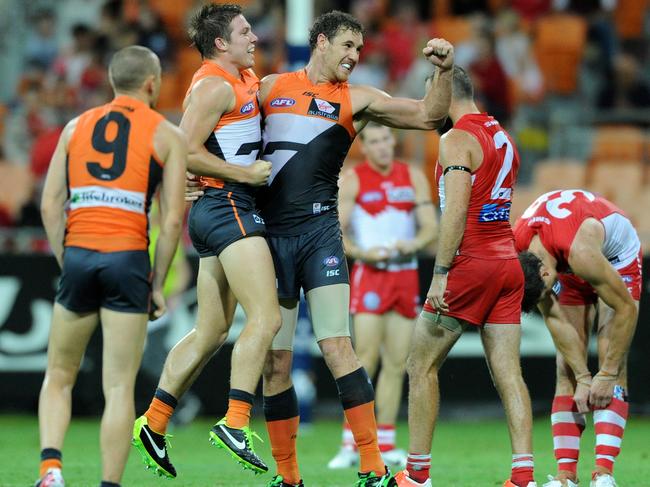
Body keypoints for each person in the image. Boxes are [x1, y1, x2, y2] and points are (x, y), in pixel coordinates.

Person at [256, 11, 453, 487]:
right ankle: (289, 477)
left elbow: (429, 116)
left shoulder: (358, 100)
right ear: (320, 42)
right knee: (274, 362)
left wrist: (443, 72)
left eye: (359, 50)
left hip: (321, 234)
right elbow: (225, 134)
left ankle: (372, 466)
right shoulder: (268, 88)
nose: (353, 56)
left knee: (339, 346)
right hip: (270, 237)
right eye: (346, 45)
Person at [131, 3, 282, 479]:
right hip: (229, 206)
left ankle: (153, 424)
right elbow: (183, 148)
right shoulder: (214, 84)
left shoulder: (239, 78)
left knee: (212, 331)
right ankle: (236, 421)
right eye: (244, 32)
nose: (254, 37)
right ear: (221, 43)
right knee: (268, 316)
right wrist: (239, 173)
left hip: (219, 208)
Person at [35, 45, 186, 487]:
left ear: (111, 81)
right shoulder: (165, 133)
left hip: (80, 253)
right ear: (152, 83)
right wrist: (156, 281)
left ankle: (50, 471)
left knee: (59, 374)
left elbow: (50, 204)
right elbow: (173, 218)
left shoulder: (74, 127)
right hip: (128, 260)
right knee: (119, 386)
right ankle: (109, 485)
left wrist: (69, 259)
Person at [395, 66, 537, 487]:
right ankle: (523, 475)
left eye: (429, 96)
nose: (427, 107)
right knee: (509, 373)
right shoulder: (502, 134)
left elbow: (456, 211)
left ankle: (417, 476)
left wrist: (440, 273)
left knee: (420, 364)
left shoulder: (456, 139)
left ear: (443, 91)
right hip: (507, 262)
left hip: (470, 262)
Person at [328, 122, 437, 470]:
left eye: (385, 140)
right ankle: (352, 443)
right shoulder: (355, 179)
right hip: (370, 276)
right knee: (364, 360)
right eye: (373, 142)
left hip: (404, 276)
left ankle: (385, 441)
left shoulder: (413, 176)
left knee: (396, 363)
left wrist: (415, 245)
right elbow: (337, 231)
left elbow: (430, 226)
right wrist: (360, 253)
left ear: (393, 141)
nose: (381, 147)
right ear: (366, 147)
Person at [514, 189, 641, 487]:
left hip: (613, 256)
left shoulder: (581, 253)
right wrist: (584, 376)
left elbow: (625, 310)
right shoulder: (519, 253)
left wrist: (605, 373)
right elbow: (555, 317)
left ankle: (604, 473)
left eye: (548, 292)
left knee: (614, 356)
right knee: (567, 368)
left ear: (546, 274)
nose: (549, 298)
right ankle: (566, 476)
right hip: (562, 253)